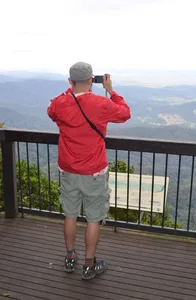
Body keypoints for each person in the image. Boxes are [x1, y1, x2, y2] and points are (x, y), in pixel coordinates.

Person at [47, 61, 131, 280]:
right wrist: (111, 90)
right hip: (94, 172)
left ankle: (69, 257)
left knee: (70, 214)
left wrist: (70, 91)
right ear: (92, 81)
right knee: (93, 219)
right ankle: (89, 264)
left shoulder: (60, 103)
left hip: (68, 170)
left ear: (70, 81)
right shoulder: (100, 104)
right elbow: (124, 114)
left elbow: (51, 111)